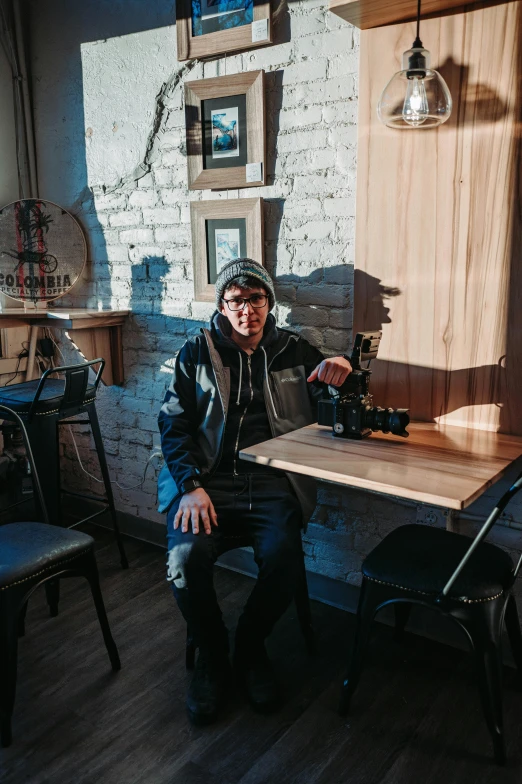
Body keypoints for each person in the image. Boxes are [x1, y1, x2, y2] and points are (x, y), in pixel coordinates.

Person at [158, 258, 352, 725]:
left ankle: (247, 649)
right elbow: (172, 424)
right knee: (185, 560)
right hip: (207, 481)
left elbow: (335, 397)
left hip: (271, 481)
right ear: (223, 305)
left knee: (284, 556)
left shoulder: (293, 350)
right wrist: (189, 486)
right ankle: (212, 653)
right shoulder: (196, 353)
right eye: (237, 300)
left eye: (257, 298)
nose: (248, 310)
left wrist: (345, 367)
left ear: (270, 301)